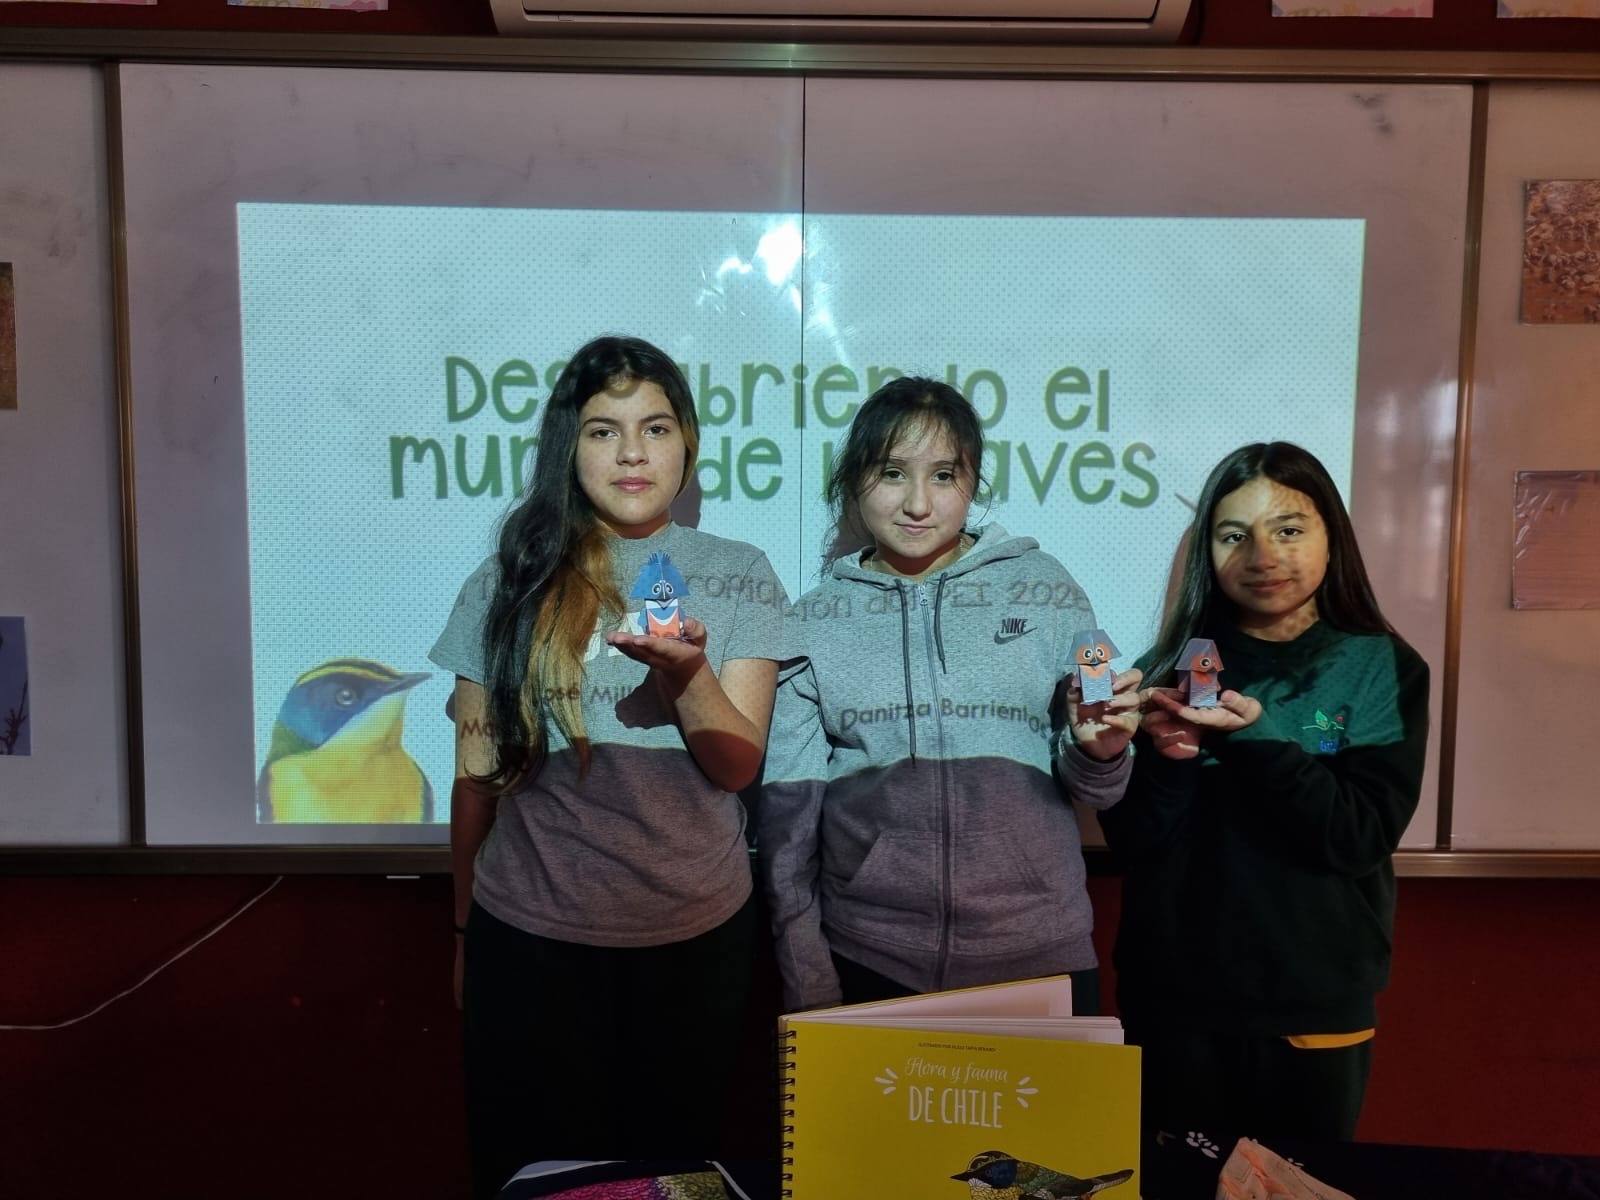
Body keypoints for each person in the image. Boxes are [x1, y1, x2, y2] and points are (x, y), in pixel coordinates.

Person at [429, 335, 789, 1197]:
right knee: (534, 1177)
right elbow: (476, 776)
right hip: (528, 942)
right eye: (603, 430)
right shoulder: (508, 578)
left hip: (694, 946)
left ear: (687, 443)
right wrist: (464, 933)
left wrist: (688, 677)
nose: (632, 452)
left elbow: (738, 766)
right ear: (570, 445)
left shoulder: (739, 574)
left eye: (655, 428)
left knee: (668, 1177)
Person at [757, 376, 1141, 1017]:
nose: (917, 503)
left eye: (943, 475)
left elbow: (1100, 789)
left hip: (1040, 955)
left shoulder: (1046, 589)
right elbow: (787, 823)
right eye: (891, 473)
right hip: (871, 954)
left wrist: (1099, 754)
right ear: (854, 480)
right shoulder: (813, 621)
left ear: (973, 482)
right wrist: (807, 974)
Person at [1098, 441, 1430, 1143]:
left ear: (1332, 534)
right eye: (1233, 535)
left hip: (1313, 1003)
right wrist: (1173, 759)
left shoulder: (1379, 666)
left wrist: (1255, 737)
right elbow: (1135, 845)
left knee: (1297, 1186)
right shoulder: (1169, 671)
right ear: (1208, 552)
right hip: (1175, 1006)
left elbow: (1358, 836)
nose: (1262, 555)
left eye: (1288, 528)